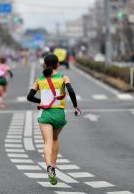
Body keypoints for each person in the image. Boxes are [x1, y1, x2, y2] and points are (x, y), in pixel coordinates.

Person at [27, 53, 81, 185]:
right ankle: (54, 166)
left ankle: (49, 168)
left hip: (46, 114)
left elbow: (29, 97)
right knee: (55, 139)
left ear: (44, 65)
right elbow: (72, 92)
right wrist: (75, 107)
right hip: (59, 115)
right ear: (58, 64)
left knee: (47, 143)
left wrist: (42, 101)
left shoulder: (39, 80)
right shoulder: (64, 77)